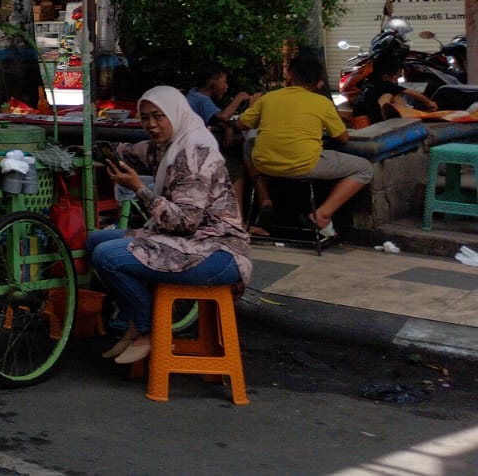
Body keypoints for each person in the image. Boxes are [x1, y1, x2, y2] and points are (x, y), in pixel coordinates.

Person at [86, 86, 251, 366]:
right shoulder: (167, 146)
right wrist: (100, 155)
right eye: (145, 118)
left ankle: (147, 327)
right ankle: (134, 321)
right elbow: (129, 152)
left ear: (175, 114)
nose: (151, 124)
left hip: (217, 250)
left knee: (109, 256)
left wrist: (139, 188)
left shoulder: (194, 153)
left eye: (159, 116)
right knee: (94, 241)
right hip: (185, 241)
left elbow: (185, 222)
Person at [238, 56, 373, 236]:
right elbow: (342, 137)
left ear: (289, 77)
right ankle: (322, 215)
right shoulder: (321, 102)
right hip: (304, 166)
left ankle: (265, 198)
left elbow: (240, 125)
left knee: (248, 144)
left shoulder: (269, 98)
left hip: (265, 165)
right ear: (318, 83)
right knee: (364, 168)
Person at [351, 52, 435, 125]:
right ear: (386, 77)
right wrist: (429, 102)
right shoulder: (387, 85)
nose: (397, 80)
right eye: (397, 77)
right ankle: (406, 117)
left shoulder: (368, 83)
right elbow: (411, 92)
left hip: (358, 119)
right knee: (392, 94)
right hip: (373, 122)